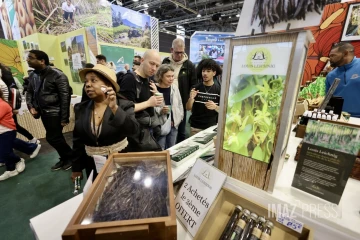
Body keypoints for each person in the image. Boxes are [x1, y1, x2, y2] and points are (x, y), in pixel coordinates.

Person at [71, 64, 139, 182]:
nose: (88, 84)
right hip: (92, 163)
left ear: (108, 85)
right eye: (86, 81)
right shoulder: (80, 109)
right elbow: (77, 140)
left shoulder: (124, 105)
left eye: (93, 80)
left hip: (119, 162)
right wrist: (76, 168)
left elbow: (133, 130)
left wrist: (114, 109)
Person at [26, 50, 73, 171]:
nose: (27, 60)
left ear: (42, 61)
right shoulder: (32, 75)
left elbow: (65, 97)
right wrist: (31, 106)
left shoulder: (58, 75)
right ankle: (65, 158)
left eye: (31, 58)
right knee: (56, 137)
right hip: (43, 112)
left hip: (55, 112)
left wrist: (64, 117)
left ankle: (71, 157)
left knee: (53, 138)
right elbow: (30, 92)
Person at [120, 49, 164, 151]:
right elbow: (124, 109)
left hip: (147, 131)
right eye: (152, 63)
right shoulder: (129, 79)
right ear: (142, 60)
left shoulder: (149, 80)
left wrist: (156, 95)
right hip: (134, 136)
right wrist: (149, 103)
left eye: (157, 66)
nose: (154, 68)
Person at [162, 38, 198, 143]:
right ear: (171, 50)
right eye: (177, 53)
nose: (180, 55)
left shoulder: (189, 65)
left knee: (181, 130)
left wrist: (190, 96)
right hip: (166, 100)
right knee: (166, 127)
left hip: (181, 103)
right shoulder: (165, 62)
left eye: (182, 53)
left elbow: (194, 83)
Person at [0, 63, 39, 144]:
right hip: (7, 104)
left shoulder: (4, 73)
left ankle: (31, 142)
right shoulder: (4, 72)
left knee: (12, 126)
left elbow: (11, 90)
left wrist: (11, 107)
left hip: (6, 104)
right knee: (11, 126)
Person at [186, 59, 222, 136]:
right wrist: (191, 98)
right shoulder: (195, 88)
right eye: (203, 71)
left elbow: (224, 110)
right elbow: (188, 108)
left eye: (208, 71)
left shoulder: (219, 90)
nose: (205, 74)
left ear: (214, 73)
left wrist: (215, 107)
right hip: (195, 127)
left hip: (211, 127)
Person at [326, 42, 360, 117]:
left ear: (345, 53)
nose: (330, 58)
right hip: (338, 118)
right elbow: (328, 100)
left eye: (333, 55)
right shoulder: (330, 76)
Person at [155, 64, 184, 149]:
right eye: (168, 76)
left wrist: (180, 117)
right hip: (160, 125)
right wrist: (161, 111)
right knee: (161, 149)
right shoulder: (154, 88)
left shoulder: (174, 88)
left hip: (174, 124)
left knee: (172, 148)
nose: (171, 79)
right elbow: (152, 108)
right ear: (161, 76)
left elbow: (179, 103)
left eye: (172, 76)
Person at [0, 88, 25, 180]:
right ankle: (11, 170)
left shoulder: (2, 104)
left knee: (4, 153)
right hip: (3, 132)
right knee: (4, 152)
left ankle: (18, 160)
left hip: (7, 131)